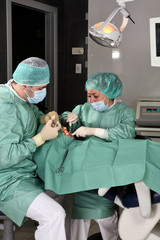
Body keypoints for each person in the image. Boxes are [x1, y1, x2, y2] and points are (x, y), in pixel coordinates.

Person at [34, 72, 136, 240]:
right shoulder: (84, 109)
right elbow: (71, 128)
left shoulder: (124, 112)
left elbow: (127, 133)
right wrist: (70, 118)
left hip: (107, 170)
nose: (91, 100)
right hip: (83, 169)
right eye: (88, 95)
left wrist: (95, 131)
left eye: (96, 95)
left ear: (110, 93)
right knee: (80, 214)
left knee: (104, 213)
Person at [0, 57, 67, 240]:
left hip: (24, 172)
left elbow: (30, 114)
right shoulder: (4, 106)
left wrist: (43, 118)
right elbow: (4, 156)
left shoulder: (20, 96)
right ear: (25, 85)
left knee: (65, 188)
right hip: (7, 180)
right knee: (54, 215)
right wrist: (40, 139)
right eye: (40, 89)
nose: (43, 92)